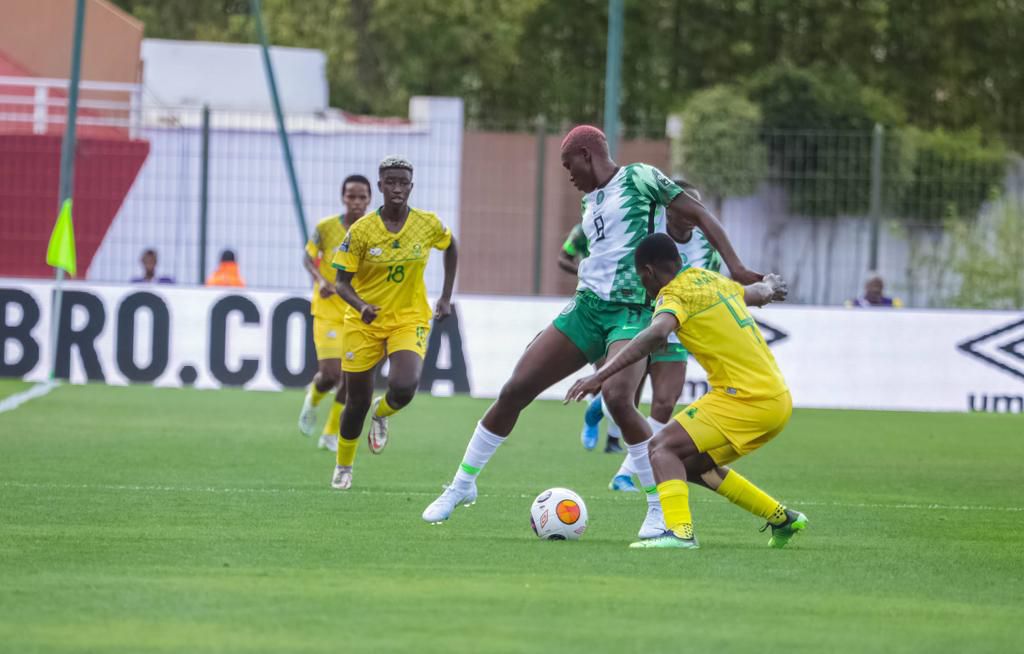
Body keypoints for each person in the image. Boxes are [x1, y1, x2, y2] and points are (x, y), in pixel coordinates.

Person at [422, 125, 761, 539]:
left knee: (620, 399)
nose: (569, 176)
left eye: (569, 165)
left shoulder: (638, 176)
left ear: (586, 154)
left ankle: (657, 509)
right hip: (586, 309)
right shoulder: (590, 201)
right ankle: (461, 485)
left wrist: (738, 268)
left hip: (633, 310)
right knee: (515, 389)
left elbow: (698, 213)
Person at [566, 233, 807, 549]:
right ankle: (783, 518)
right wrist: (771, 286)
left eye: (642, 279)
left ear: (649, 273)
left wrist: (601, 376)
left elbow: (657, 333)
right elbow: (756, 293)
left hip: (745, 398)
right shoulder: (710, 279)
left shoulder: (672, 295)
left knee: (661, 448)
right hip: (775, 399)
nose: (645, 288)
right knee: (691, 464)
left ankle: (680, 533)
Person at [329, 156, 458, 491]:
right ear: (380, 186)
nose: (397, 188)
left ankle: (382, 412)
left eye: (403, 182)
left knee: (405, 386)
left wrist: (445, 296)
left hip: (408, 318)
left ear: (411, 187)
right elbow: (340, 282)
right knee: (355, 401)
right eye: (391, 182)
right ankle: (344, 466)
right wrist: (360, 305)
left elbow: (451, 246)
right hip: (364, 321)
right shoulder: (361, 231)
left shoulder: (427, 224)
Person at [606, 180, 724, 491]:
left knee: (664, 403)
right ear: (669, 210)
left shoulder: (706, 246)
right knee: (622, 397)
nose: (689, 215)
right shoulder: (648, 231)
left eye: (695, 209)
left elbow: (711, 285)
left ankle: (625, 473)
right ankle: (599, 412)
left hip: (677, 327)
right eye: (683, 208)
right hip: (643, 321)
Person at [297, 174, 372, 452]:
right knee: (330, 374)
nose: (356, 202)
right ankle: (313, 399)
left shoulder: (372, 231)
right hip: (328, 310)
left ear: (369, 200)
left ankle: (330, 433)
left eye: (361, 197)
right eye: (351, 196)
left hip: (356, 311)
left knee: (352, 379)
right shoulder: (326, 228)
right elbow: (307, 257)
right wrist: (320, 280)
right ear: (343, 198)